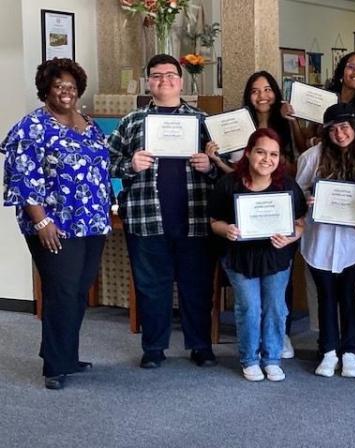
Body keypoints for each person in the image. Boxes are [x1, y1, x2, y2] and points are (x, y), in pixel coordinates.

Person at [1, 58, 111, 390]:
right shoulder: (31, 127)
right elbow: (21, 178)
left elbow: (100, 166)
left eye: (71, 86)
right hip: (54, 225)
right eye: (58, 85)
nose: (66, 91)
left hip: (92, 221)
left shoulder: (88, 123)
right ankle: (54, 366)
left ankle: (66, 354)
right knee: (61, 291)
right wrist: (42, 220)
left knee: (78, 291)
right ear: (46, 89)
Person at [108, 54, 217, 369]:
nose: (164, 80)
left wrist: (209, 166)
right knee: (150, 287)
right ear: (148, 81)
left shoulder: (203, 122)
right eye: (156, 75)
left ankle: (200, 346)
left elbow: (227, 169)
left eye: (170, 74)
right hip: (146, 218)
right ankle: (153, 348)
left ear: (181, 80)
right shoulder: (131, 121)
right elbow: (106, 160)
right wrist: (130, 164)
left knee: (196, 288)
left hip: (194, 220)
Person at [209, 128, 307, 382]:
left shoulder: (287, 185)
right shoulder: (228, 184)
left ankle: (272, 358)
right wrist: (226, 229)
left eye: (273, 154)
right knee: (249, 308)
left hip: (275, 256)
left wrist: (290, 237)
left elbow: (300, 223)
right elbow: (213, 222)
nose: (267, 159)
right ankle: (250, 358)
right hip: (239, 256)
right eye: (261, 152)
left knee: (275, 307)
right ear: (249, 153)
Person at [295, 103, 355, 378]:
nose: (340, 134)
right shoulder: (312, 157)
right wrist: (308, 200)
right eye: (333, 129)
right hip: (320, 238)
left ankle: (351, 351)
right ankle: (328, 349)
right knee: (326, 295)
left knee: (349, 295)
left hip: (354, 239)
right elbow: (298, 191)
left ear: (354, 128)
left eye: (345, 128)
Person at [206, 70, 306, 174]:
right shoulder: (240, 125)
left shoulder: (287, 122)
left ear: (275, 92)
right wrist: (219, 162)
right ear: (248, 96)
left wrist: (293, 120)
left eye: (267, 89)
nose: (262, 96)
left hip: (282, 187)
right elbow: (236, 173)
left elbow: (303, 159)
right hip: (248, 188)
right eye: (255, 91)